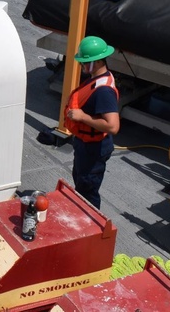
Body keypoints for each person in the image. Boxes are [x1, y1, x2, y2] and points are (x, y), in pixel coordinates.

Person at [63, 36, 120, 209]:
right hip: (85, 144)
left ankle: (89, 222)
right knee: (81, 182)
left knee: (87, 191)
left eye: (83, 62)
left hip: (94, 149)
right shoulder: (99, 77)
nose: (81, 66)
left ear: (94, 63)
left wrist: (82, 117)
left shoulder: (104, 92)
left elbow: (113, 126)